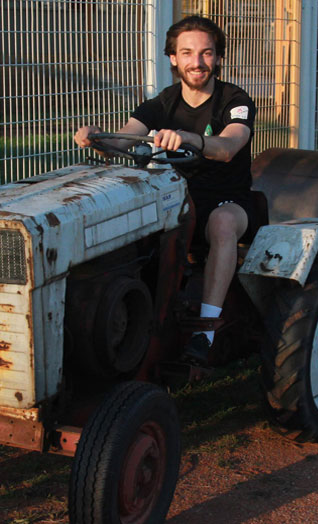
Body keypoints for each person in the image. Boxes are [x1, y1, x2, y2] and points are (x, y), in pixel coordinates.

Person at [74, 15, 257, 366]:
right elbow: (125, 138)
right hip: (175, 199)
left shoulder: (234, 99)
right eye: (187, 53)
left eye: (206, 53)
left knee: (221, 223)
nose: (197, 62)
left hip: (227, 200)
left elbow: (230, 145)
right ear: (173, 58)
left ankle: (205, 331)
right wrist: (97, 137)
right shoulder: (163, 102)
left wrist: (191, 139)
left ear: (217, 57)